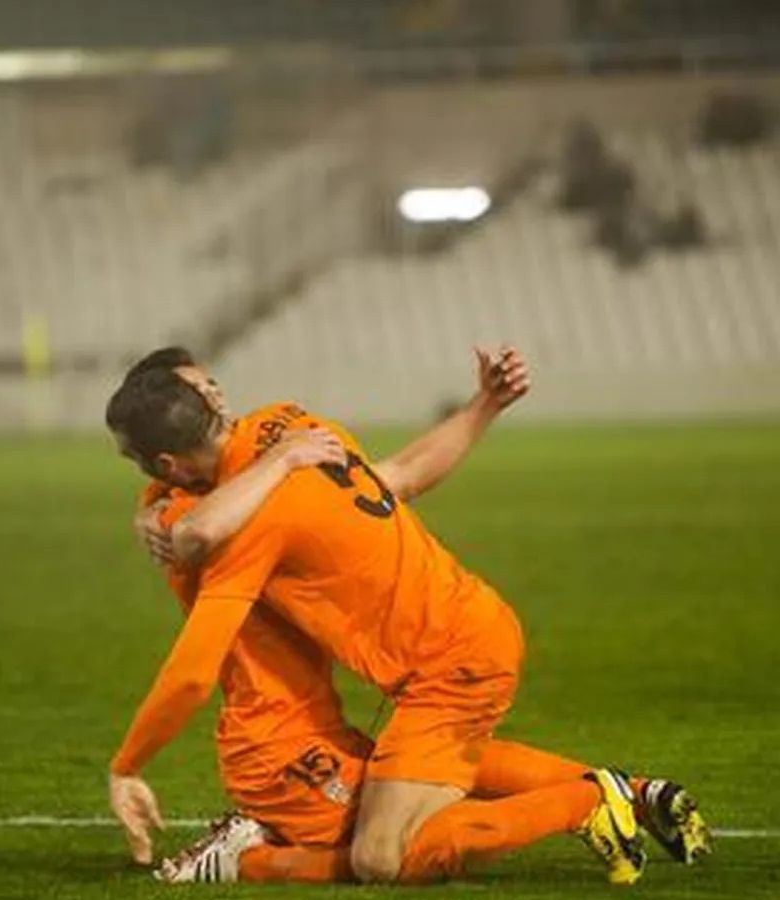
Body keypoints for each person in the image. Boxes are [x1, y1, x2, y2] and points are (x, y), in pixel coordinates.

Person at [114, 347, 707, 884]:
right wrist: (484, 406)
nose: (216, 392)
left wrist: (127, 767)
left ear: (165, 461)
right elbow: (399, 478)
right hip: (466, 627)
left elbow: (195, 541)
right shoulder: (294, 424)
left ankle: (589, 803)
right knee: (424, 771)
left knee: (381, 856)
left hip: (449, 666)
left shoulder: (254, 513)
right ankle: (638, 793)